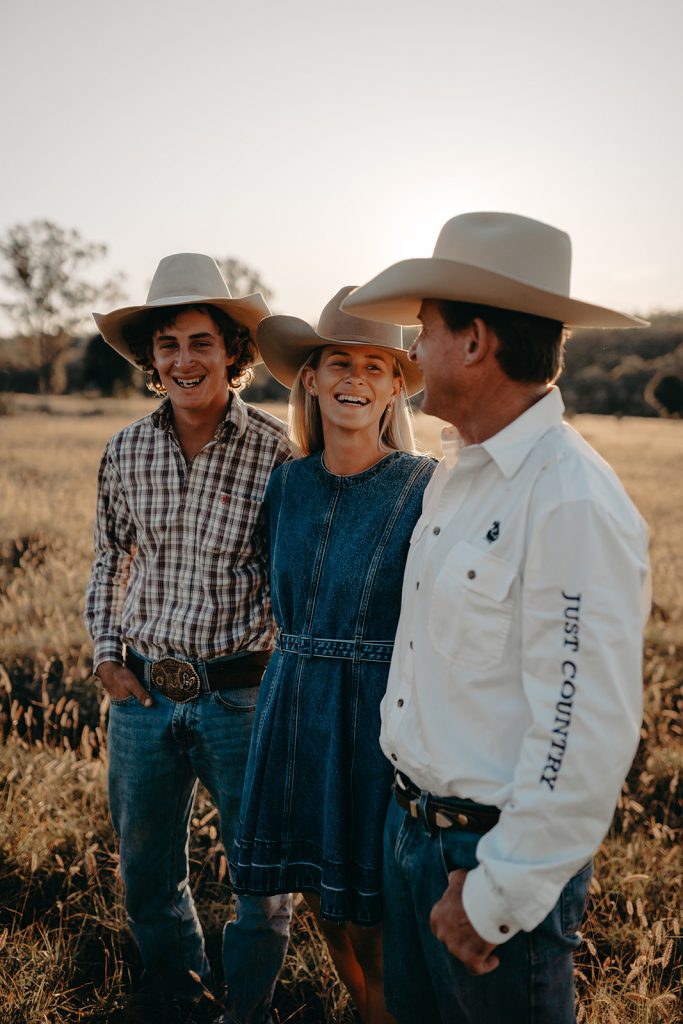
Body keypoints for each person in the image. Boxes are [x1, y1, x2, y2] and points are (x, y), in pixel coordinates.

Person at [342, 212, 652, 1024]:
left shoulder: (568, 499)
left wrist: (496, 894)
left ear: (474, 342)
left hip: (485, 860)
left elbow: (583, 730)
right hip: (411, 834)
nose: (412, 350)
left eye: (424, 329)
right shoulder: (457, 474)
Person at [84, 253, 293, 1024]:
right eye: (167, 344)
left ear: (232, 352)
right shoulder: (126, 450)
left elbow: (293, 581)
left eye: (200, 342)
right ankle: (181, 995)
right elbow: (110, 557)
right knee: (145, 870)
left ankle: (249, 1009)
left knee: (259, 875)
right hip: (141, 697)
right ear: (151, 358)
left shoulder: (276, 452)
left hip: (240, 698)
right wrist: (107, 654)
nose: (183, 359)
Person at [229, 286, 436, 1024]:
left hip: (375, 712)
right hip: (293, 703)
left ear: (394, 387)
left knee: (371, 913)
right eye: (339, 363)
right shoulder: (287, 483)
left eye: (375, 366)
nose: (355, 378)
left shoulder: (423, 485)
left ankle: (384, 1008)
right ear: (310, 379)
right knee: (320, 900)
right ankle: (364, 1007)